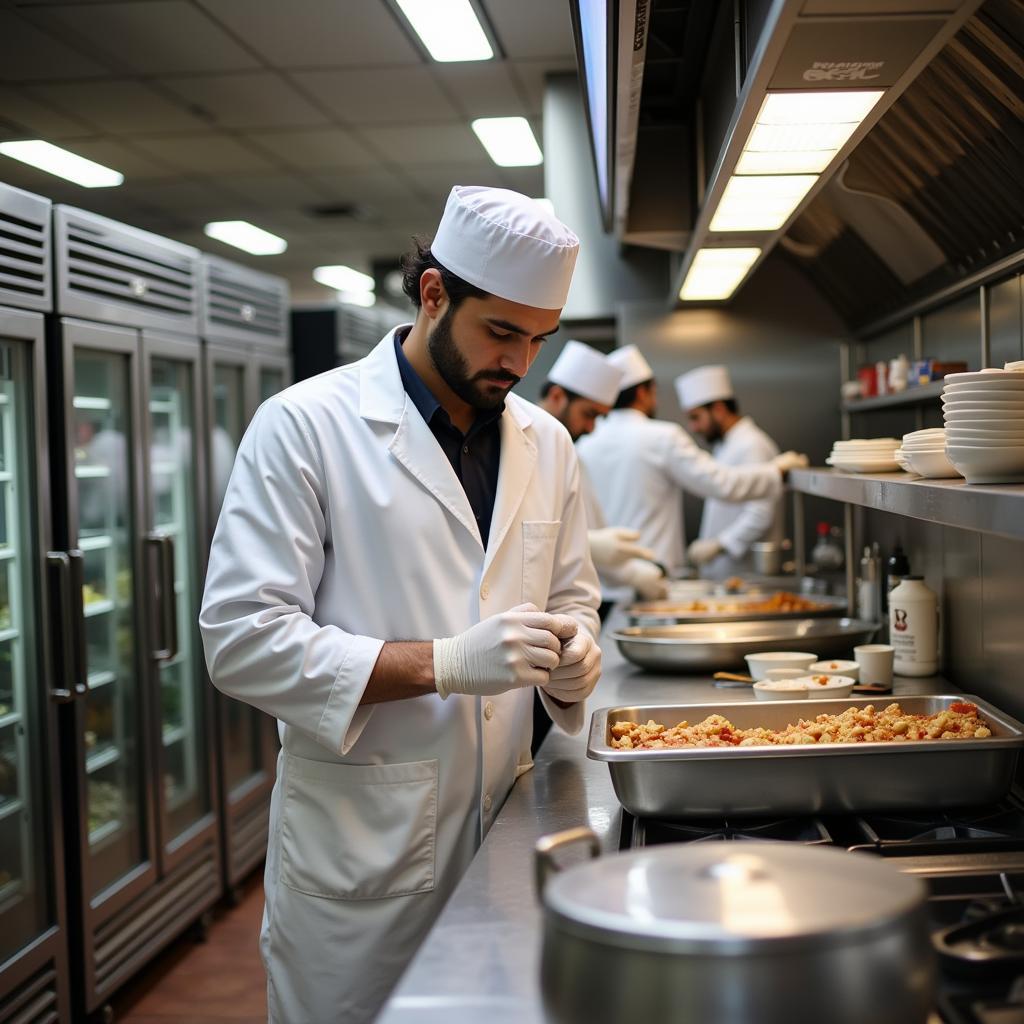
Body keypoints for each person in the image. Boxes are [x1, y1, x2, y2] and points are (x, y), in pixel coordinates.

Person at [199, 186, 602, 1024]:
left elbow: (572, 598)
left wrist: (573, 658)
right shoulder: (304, 426)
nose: (521, 362)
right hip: (363, 851)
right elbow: (241, 640)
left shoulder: (548, 443)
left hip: (504, 832)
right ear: (432, 294)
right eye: (501, 331)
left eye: (539, 338)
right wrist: (446, 663)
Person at [577, 344, 806, 577]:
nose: (694, 427)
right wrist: (776, 472)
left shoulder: (586, 441)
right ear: (643, 393)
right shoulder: (663, 437)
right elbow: (721, 483)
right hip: (653, 572)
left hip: (604, 576)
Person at [537, 340, 667, 602]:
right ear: (557, 396)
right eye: (589, 414)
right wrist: (586, 544)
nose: (591, 428)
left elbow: (593, 535)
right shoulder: (516, 446)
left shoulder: (573, 455)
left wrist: (631, 571)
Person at [676, 364, 783, 579]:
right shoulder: (725, 444)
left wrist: (720, 545)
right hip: (724, 572)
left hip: (744, 572)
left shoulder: (752, 445)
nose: (693, 427)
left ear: (718, 409)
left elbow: (760, 513)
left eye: (696, 417)